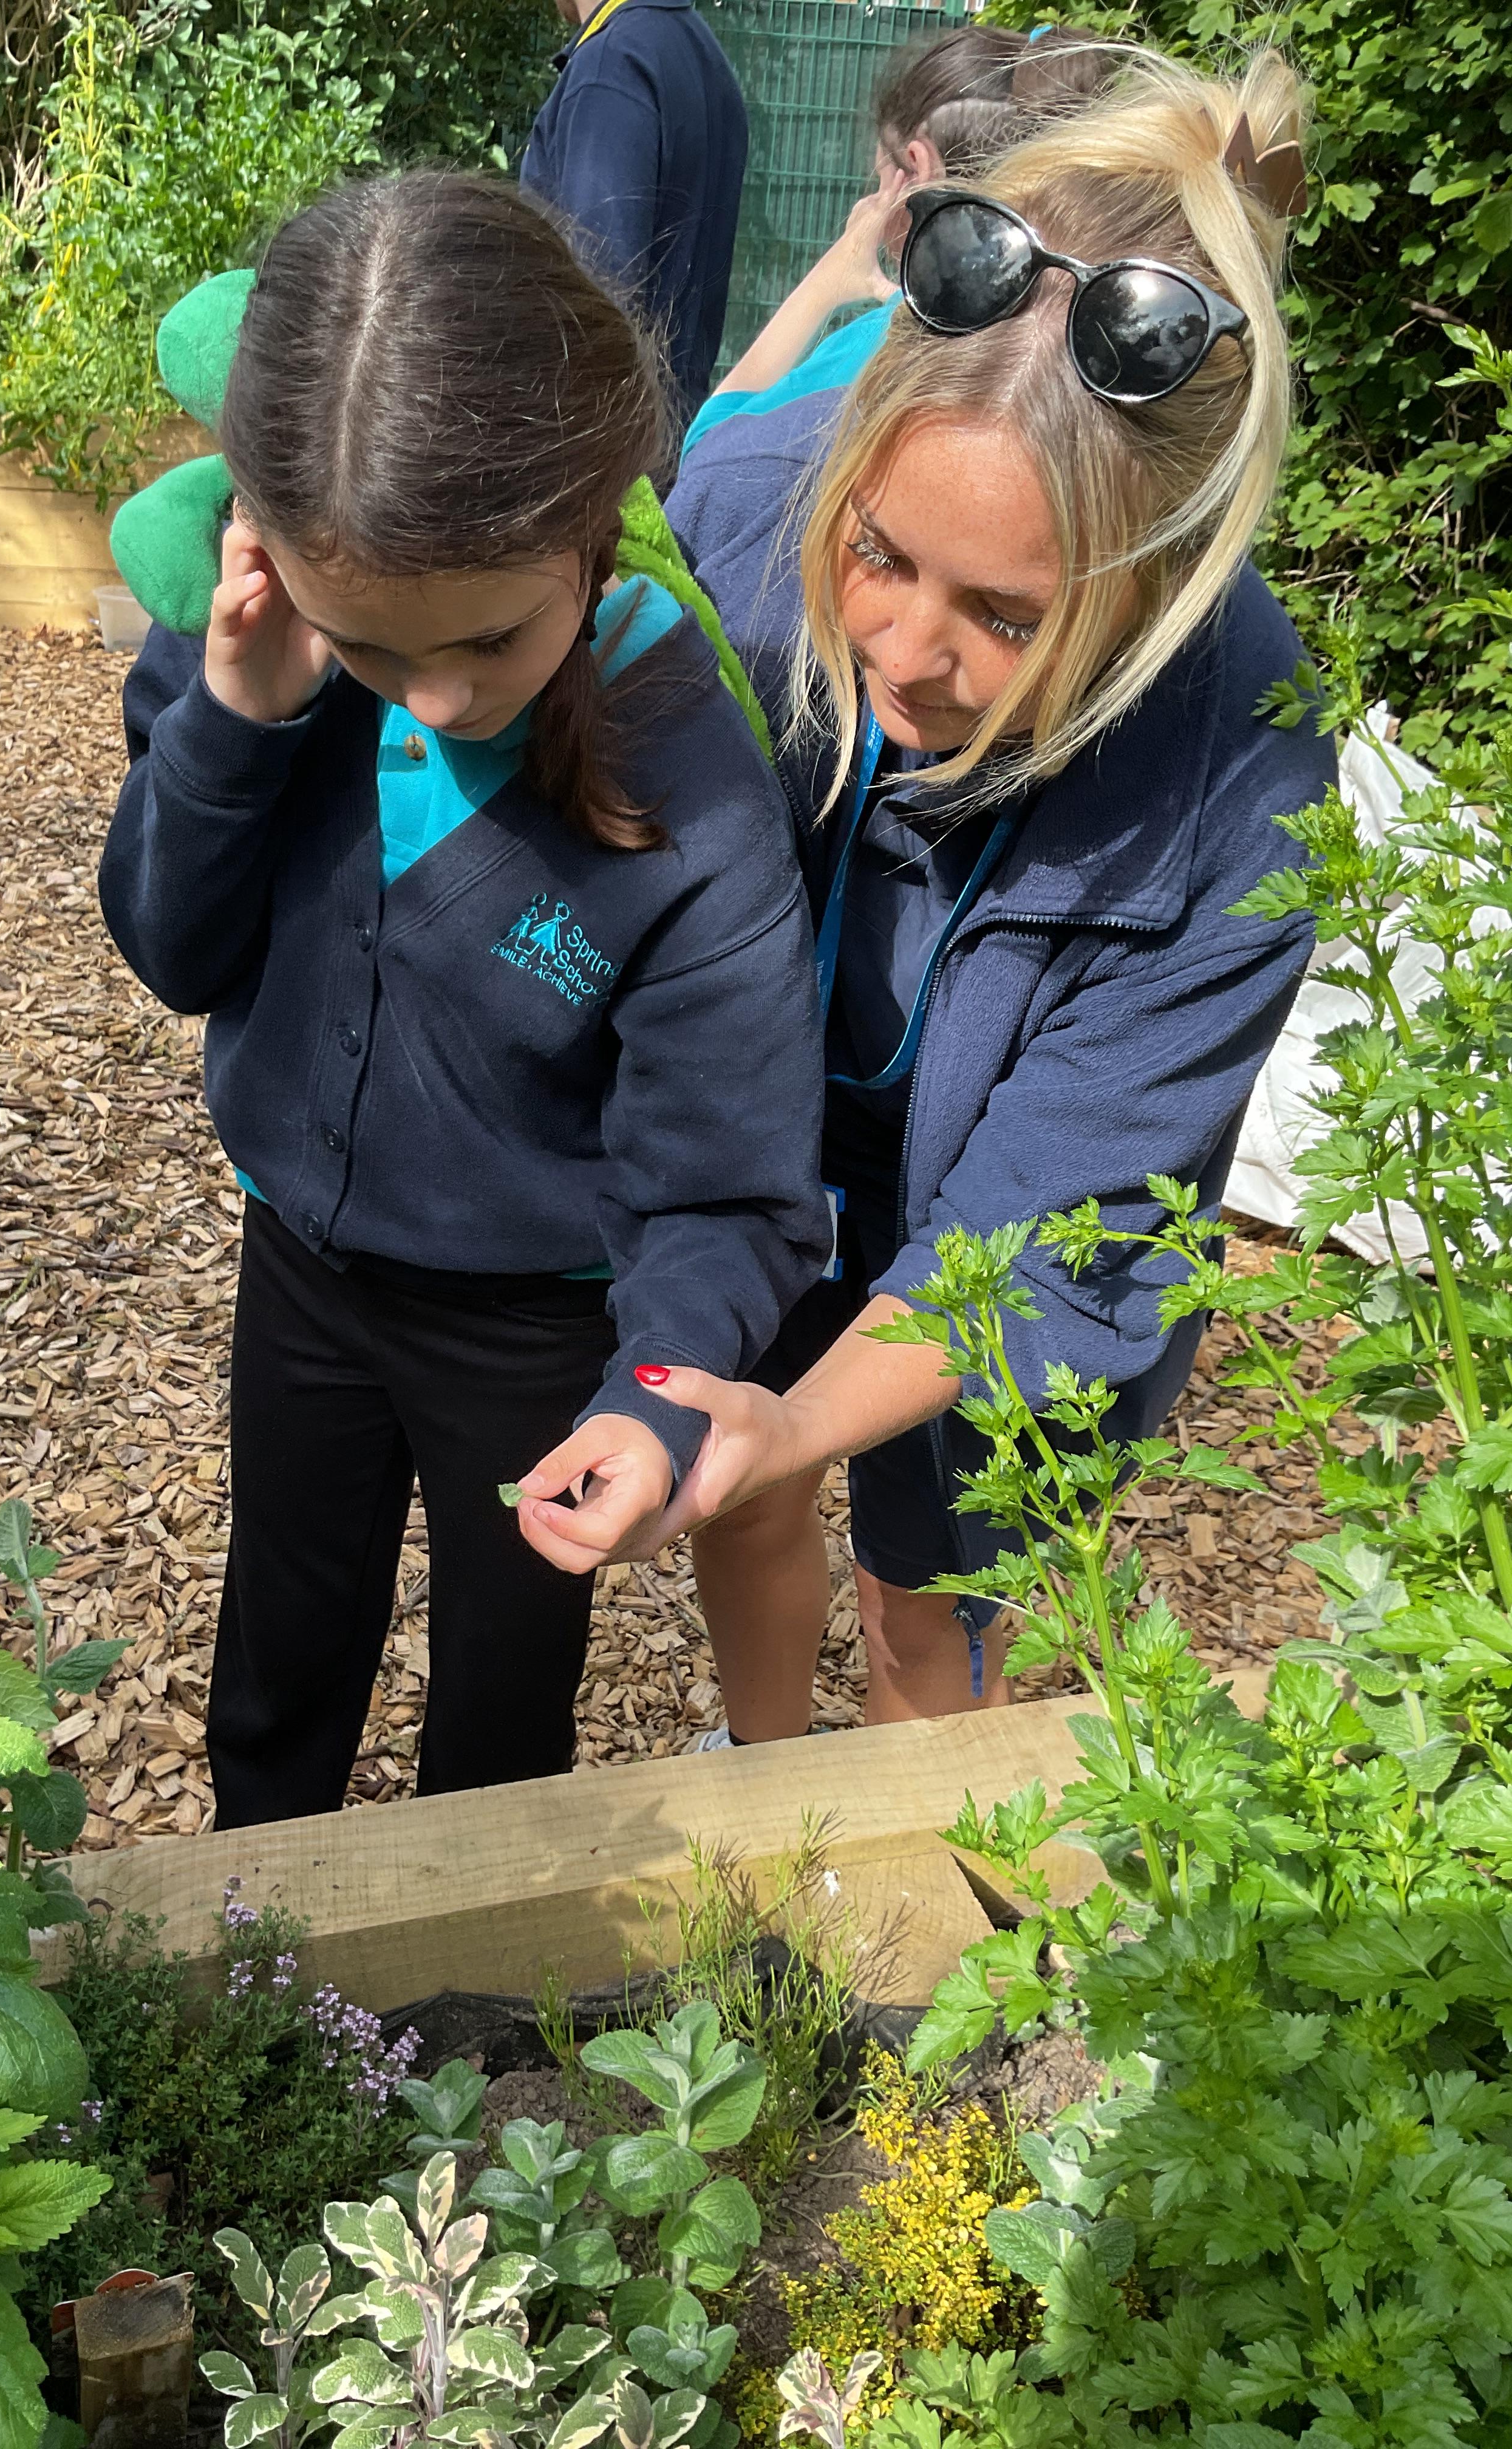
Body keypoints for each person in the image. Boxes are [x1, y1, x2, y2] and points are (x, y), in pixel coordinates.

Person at [511, 54, 1335, 1743]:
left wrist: (802, 1421)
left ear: (1160, 588)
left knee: (932, 1605)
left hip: (1003, 1217)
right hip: (763, 1148)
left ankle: (909, 1873)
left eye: (1010, 618)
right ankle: (764, 1784)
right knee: (737, 1492)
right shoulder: (745, 506)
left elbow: (1039, 1225)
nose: (902, 651)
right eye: (879, 554)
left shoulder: (1242, 767)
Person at [99, 171, 829, 1826]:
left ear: (591, 522)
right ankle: (254, 1903)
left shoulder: (686, 777)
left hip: (532, 1320)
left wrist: (656, 1386)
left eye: (490, 642)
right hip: (302, 1262)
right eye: (370, 651)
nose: (432, 700)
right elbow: (174, 951)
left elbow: (729, 1180)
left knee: (505, 1688)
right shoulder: (259, 635)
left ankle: (475, 1955)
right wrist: (237, 719)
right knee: (281, 1641)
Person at [681, 21, 1111, 460]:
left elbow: (710, 457)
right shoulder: (1091, 342)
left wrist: (823, 285)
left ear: (918, 170)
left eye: (881, 173)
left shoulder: (888, 346)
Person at [521, 0, 748, 427]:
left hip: (604, 442)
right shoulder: (697, 48)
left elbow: (597, 312)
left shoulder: (610, 69)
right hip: (669, 430)